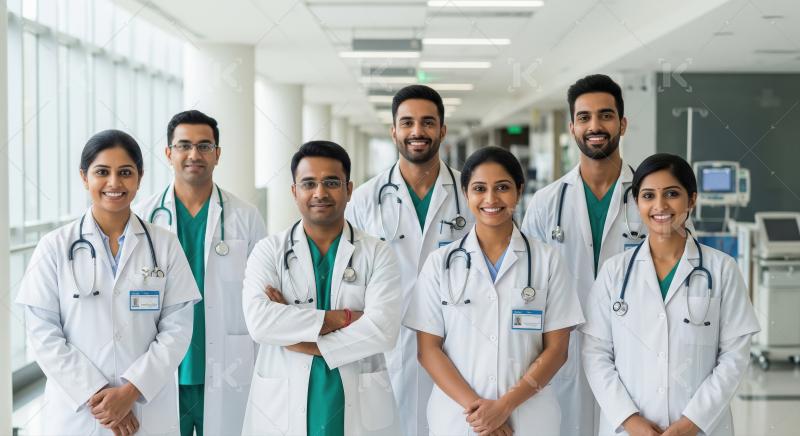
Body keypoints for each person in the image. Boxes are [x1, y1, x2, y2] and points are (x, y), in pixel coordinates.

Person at [16, 130, 201, 436]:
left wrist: (131, 392)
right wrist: (98, 394)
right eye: (102, 172)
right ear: (84, 177)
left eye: (125, 173)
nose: (114, 183)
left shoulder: (164, 246)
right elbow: (42, 334)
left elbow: (178, 328)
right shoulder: (54, 247)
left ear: (139, 178)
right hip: (81, 414)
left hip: (145, 408)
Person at [404, 147, 584, 436]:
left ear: (519, 191)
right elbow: (428, 351)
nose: (491, 199)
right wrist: (482, 413)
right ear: (466, 194)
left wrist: (504, 407)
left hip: (529, 418)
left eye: (502, 187)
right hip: (459, 419)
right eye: (479, 189)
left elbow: (557, 350)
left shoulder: (547, 260)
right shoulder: (441, 264)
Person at [581, 153, 760, 436]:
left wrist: (692, 423)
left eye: (672, 194)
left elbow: (734, 356)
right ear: (637, 202)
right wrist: (630, 420)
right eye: (648, 195)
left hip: (702, 428)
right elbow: (595, 353)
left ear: (691, 199)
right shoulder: (614, 273)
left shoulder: (723, 270)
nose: (660, 206)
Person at [241, 141, 402, 435]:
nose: (320, 193)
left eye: (331, 182)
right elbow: (260, 323)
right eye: (308, 183)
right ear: (294, 192)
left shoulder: (378, 252)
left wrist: (298, 340)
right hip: (282, 405)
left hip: (360, 405)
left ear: (349, 189)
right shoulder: (269, 251)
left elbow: (383, 330)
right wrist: (343, 319)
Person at [521, 74, 645, 436]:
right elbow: (526, 287)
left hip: (635, 351)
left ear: (622, 124)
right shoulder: (546, 203)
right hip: (563, 355)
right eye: (585, 117)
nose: (595, 126)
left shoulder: (651, 198)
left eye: (605, 116)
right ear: (572, 126)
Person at [346, 84, 473, 435]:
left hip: (457, 345)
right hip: (386, 342)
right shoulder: (363, 200)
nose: (418, 132)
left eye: (428, 122)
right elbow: (347, 272)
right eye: (407, 123)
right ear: (394, 131)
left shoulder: (471, 194)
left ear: (442, 131)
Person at [135, 110, 266, 436]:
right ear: (168, 153)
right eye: (184, 146)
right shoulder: (143, 217)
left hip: (226, 364)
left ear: (217, 154)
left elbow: (264, 292)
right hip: (160, 367)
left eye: (205, 146)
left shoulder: (245, 217)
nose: (194, 154)